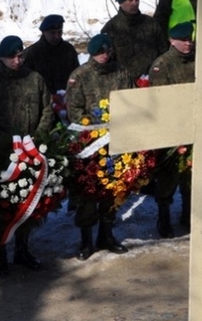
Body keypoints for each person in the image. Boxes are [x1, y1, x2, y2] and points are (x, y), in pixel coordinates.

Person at [0, 35, 55, 275]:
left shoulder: (35, 79)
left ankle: (22, 249)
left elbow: (47, 110)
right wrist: (6, 142)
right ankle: (0, 255)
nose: (17, 61)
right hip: (1, 155)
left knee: (28, 204)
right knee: (1, 206)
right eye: (12, 57)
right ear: (2, 57)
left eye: (20, 56)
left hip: (31, 152)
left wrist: (36, 139)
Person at [65, 34, 134, 260]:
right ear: (93, 53)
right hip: (89, 144)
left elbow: (132, 100)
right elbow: (74, 111)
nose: (104, 55)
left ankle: (107, 234)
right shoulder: (80, 76)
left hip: (117, 140)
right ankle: (86, 241)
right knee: (87, 192)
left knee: (112, 189)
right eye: (100, 52)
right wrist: (96, 126)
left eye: (107, 51)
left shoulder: (121, 72)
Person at [148, 22, 196, 238]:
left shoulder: (198, 60)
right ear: (172, 41)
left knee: (191, 174)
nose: (188, 43)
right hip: (171, 130)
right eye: (183, 40)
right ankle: (164, 216)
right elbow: (161, 100)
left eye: (189, 39)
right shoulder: (161, 65)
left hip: (196, 126)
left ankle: (188, 214)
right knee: (168, 176)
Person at [101, 0, 169, 81]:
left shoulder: (151, 24)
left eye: (137, 0)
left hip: (152, 79)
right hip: (124, 83)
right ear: (121, 3)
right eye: (130, 0)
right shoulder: (111, 28)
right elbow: (106, 60)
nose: (135, 3)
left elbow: (164, 51)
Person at [22, 14, 79, 94]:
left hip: (67, 99)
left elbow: (76, 76)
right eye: (52, 33)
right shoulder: (32, 54)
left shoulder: (68, 50)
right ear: (43, 32)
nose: (57, 36)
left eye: (60, 32)